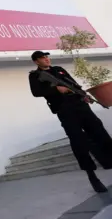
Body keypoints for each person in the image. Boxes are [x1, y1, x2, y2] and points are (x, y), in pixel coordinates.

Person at [28, 50, 112, 193]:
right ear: (36, 61)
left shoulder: (59, 70)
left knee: (100, 133)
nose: (46, 59)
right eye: (42, 58)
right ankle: (92, 176)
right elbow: (36, 92)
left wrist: (84, 95)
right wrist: (56, 90)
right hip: (64, 110)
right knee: (78, 141)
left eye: (47, 56)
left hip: (80, 105)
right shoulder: (35, 76)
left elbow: (72, 83)